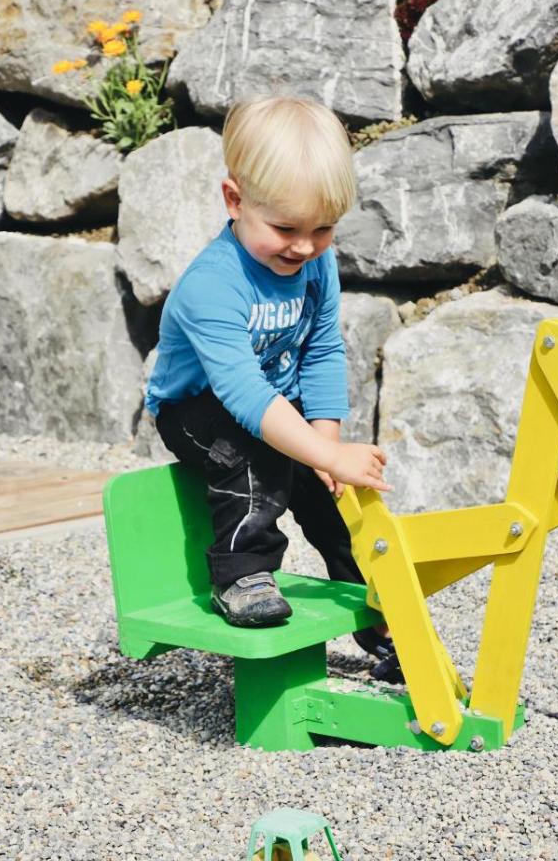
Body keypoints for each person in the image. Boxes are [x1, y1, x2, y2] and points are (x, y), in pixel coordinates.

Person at [144, 95, 399, 679]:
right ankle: (241, 575)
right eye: (285, 228)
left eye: (323, 229)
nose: (304, 246)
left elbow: (323, 349)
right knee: (251, 452)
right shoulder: (212, 285)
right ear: (235, 200)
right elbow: (243, 396)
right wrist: (320, 451)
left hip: (274, 398)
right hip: (197, 409)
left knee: (333, 492)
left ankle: (377, 611)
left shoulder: (315, 264)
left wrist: (327, 449)